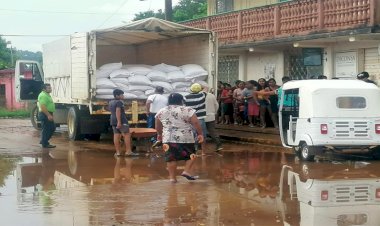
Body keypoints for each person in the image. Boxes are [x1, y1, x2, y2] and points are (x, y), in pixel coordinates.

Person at [155, 93, 204, 183]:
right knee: (191, 155)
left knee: (171, 158)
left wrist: (159, 134)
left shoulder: (161, 111)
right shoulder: (188, 110)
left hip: (168, 138)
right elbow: (196, 123)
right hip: (186, 138)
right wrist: (200, 134)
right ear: (181, 100)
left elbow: (158, 126)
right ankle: (186, 171)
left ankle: (172, 178)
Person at [109, 89, 137, 157]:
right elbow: (118, 111)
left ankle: (118, 152)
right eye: (121, 95)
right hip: (121, 121)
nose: (123, 96)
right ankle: (128, 151)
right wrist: (119, 122)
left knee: (116, 135)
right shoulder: (119, 102)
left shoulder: (111, 102)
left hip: (113, 120)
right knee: (127, 135)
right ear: (117, 95)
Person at [185, 83, 207, 155]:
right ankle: (203, 152)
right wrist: (200, 85)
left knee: (192, 135)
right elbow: (206, 87)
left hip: (191, 119)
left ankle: (194, 150)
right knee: (202, 134)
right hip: (200, 119)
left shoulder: (186, 97)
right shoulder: (202, 95)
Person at [38, 83, 56, 148]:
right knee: (47, 129)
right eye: (48, 88)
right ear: (44, 89)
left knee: (52, 128)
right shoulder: (43, 95)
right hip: (45, 114)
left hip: (47, 113)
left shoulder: (47, 95)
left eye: (50, 87)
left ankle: (44, 141)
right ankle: (45, 143)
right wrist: (48, 115)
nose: (50, 89)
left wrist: (51, 114)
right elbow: (43, 106)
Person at [205, 87, 223, 152]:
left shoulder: (197, 96)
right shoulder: (211, 95)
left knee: (199, 131)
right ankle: (218, 144)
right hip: (211, 116)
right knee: (212, 131)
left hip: (200, 117)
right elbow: (216, 105)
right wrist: (214, 112)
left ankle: (199, 147)